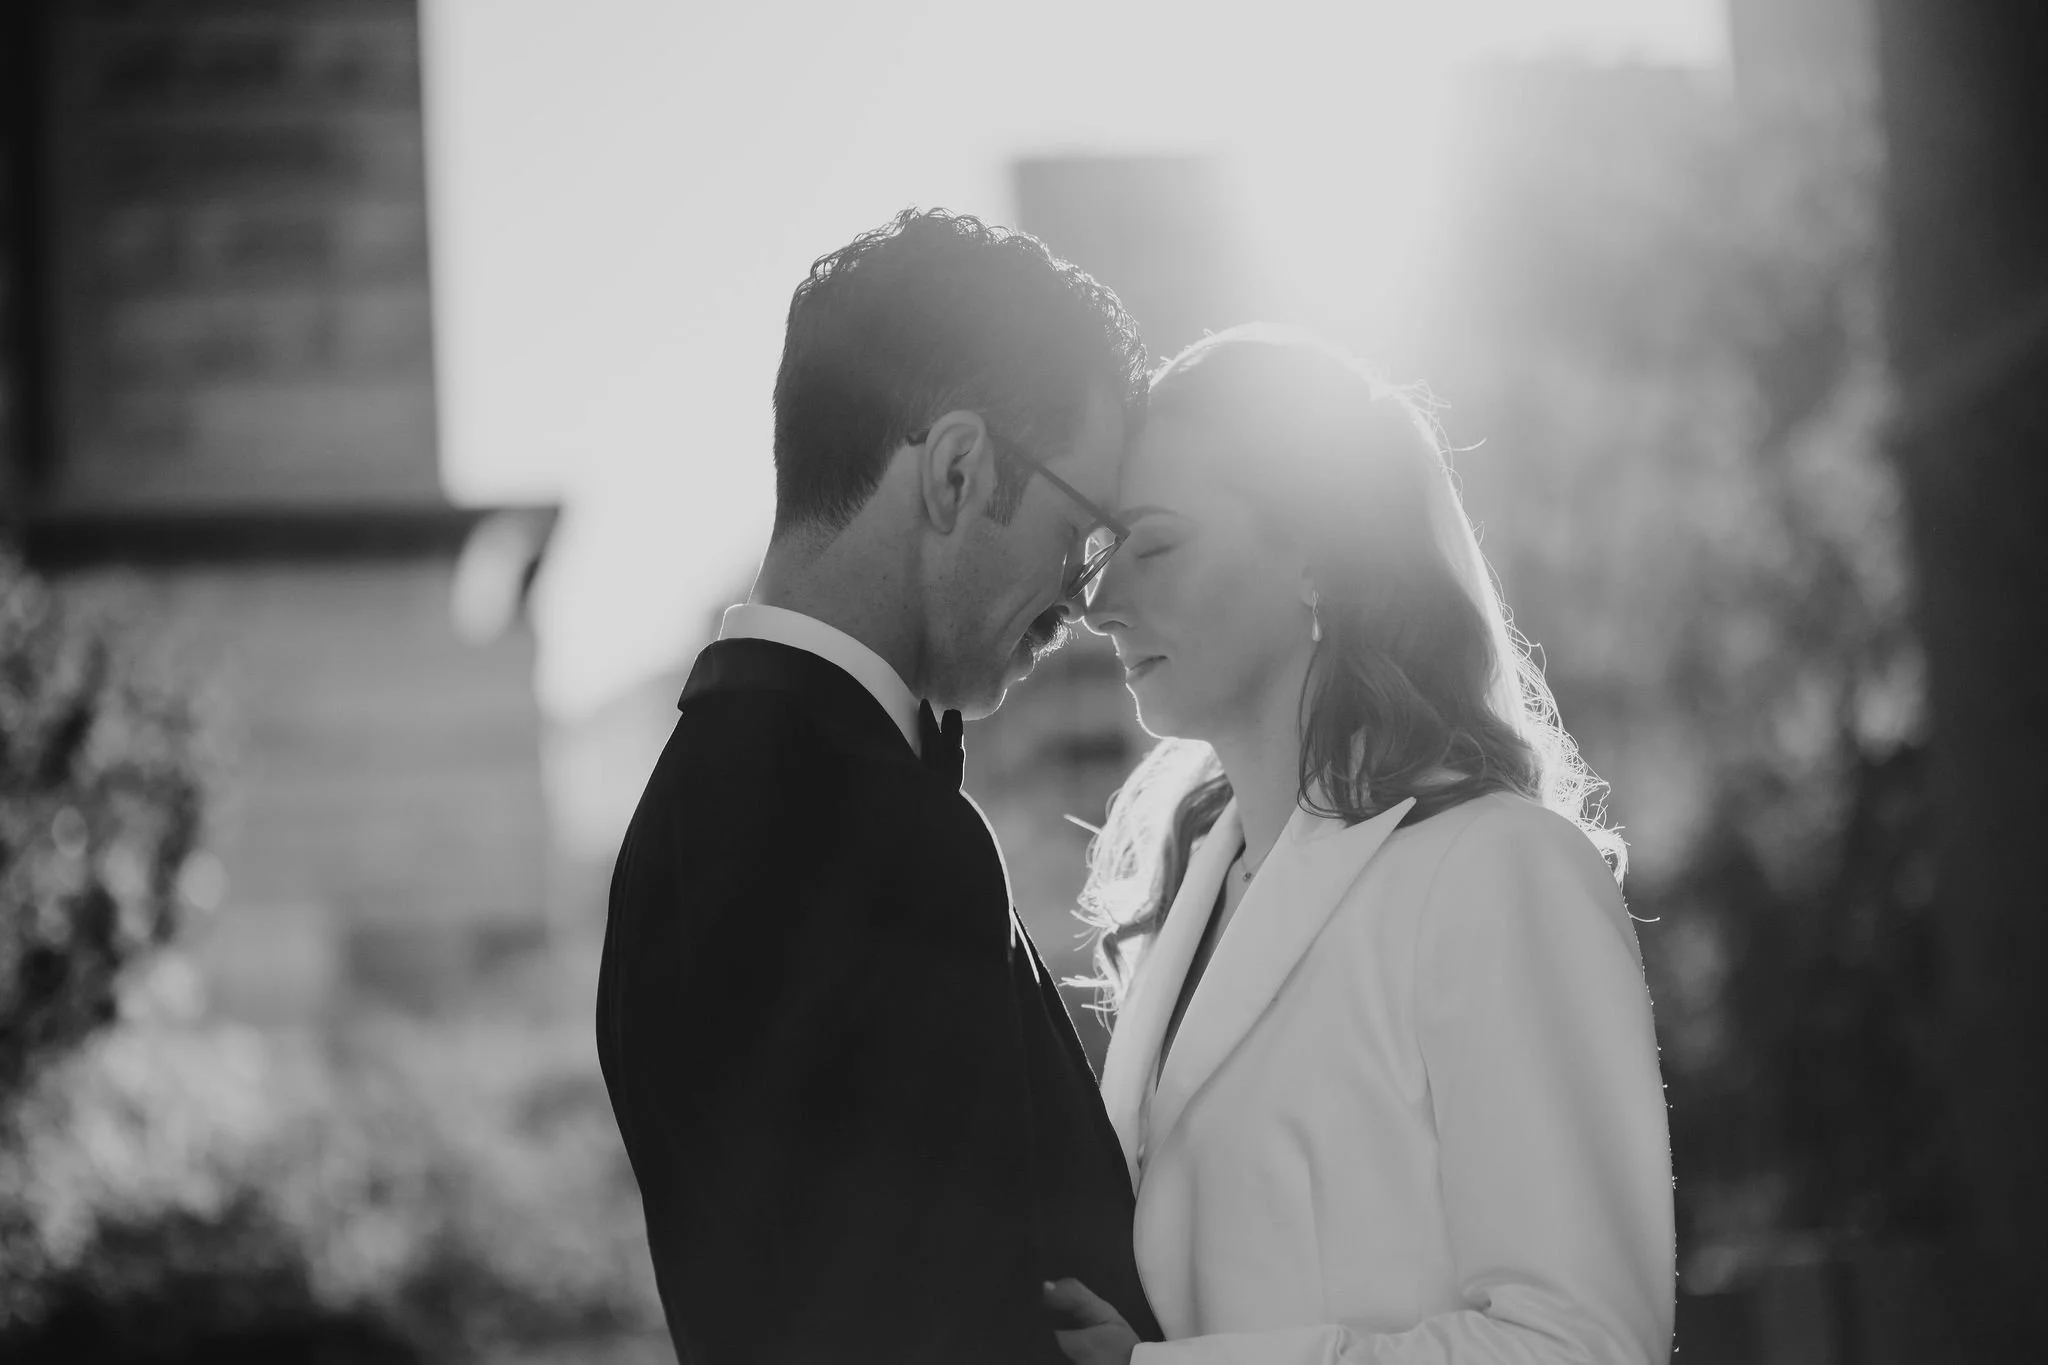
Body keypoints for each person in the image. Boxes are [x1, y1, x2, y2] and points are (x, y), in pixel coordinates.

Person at [1041, 326, 1674, 1365]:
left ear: (1313, 559)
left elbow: (1583, 1344)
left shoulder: (1494, 872)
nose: (1100, 605)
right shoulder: (1178, 907)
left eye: (1152, 546)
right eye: (1103, 554)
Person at [596, 209, 1163, 1363]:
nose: (1085, 600)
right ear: (958, 470)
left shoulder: (688, 810)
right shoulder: (872, 834)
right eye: (1081, 533)